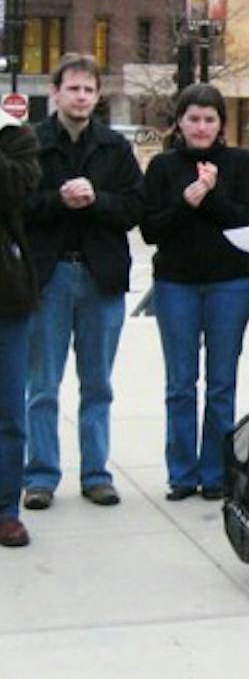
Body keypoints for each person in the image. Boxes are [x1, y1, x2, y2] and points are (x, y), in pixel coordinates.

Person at [22, 53, 144, 511]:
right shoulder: (30, 143)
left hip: (100, 277)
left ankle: (96, 473)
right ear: (55, 93)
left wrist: (95, 201)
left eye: (89, 90)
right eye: (72, 88)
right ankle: (40, 476)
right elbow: (16, 205)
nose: (81, 96)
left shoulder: (115, 146)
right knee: (43, 385)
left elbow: (136, 207)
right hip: (48, 277)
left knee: (98, 385)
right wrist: (58, 200)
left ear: (98, 95)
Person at [140, 83, 249, 503]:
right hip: (176, 284)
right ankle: (182, 473)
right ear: (179, 123)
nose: (201, 126)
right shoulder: (163, 168)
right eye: (193, 118)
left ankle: (216, 473)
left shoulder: (242, 164)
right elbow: (152, 229)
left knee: (222, 383)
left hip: (230, 282)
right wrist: (185, 202)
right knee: (180, 383)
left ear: (222, 124)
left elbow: (248, 222)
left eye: (210, 119)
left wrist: (208, 198)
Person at [0, 109, 40, 548]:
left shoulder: (17, 138)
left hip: (7, 296)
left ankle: (6, 510)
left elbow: (15, 191)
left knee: (9, 411)